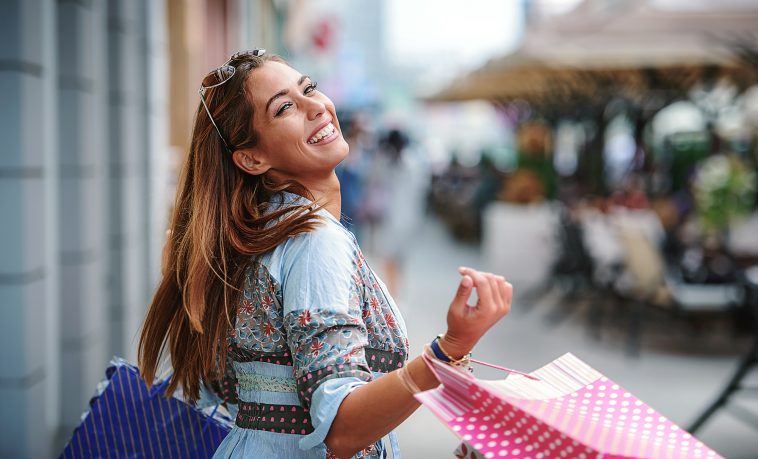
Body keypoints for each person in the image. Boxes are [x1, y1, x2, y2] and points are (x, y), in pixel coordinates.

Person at [138, 50, 512, 459]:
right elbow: (341, 429)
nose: (317, 107)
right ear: (252, 158)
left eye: (309, 88)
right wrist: (450, 347)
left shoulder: (260, 238)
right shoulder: (314, 240)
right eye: (285, 108)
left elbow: (240, 393)